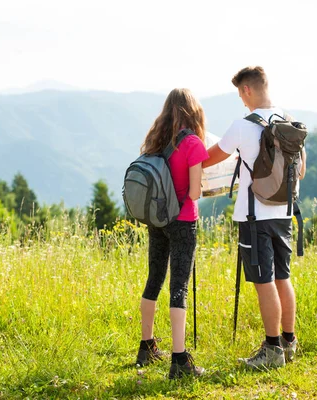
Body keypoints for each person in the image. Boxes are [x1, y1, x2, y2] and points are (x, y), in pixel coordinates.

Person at [203, 66, 306, 369]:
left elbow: (208, 159)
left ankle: (271, 350)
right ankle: (288, 342)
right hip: (284, 213)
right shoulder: (290, 124)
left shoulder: (242, 125)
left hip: (254, 216)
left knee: (264, 282)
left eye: (240, 95)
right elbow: (299, 172)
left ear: (247, 90)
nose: (241, 101)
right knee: (283, 278)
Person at [136, 88, 209, 379]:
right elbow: (193, 192)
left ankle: (146, 347)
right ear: (193, 111)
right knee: (179, 287)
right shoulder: (191, 143)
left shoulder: (156, 140)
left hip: (158, 220)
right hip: (182, 222)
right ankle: (179, 361)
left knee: (154, 278)